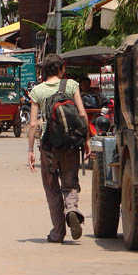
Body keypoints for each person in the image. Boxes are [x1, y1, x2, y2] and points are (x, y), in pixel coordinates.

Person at [27, 54, 90, 243]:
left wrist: (30, 150)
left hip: (49, 146)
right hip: (71, 143)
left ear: (44, 70)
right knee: (70, 183)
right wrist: (85, 139)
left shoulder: (37, 91)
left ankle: (58, 232)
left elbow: (32, 124)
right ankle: (71, 209)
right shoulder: (71, 85)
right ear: (62, 68)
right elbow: (82, 114)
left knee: (52, 188)